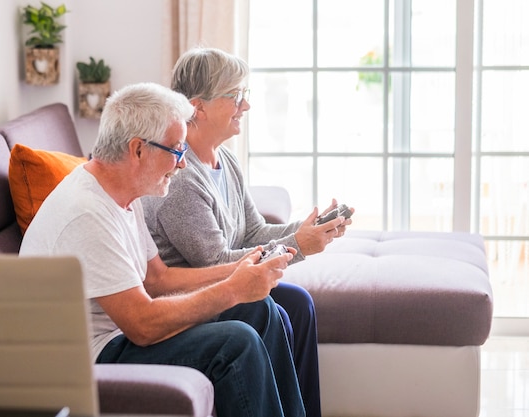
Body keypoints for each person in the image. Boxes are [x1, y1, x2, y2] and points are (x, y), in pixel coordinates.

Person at [19, 82, 305, 417]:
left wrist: (243, 268)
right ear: (138, 150)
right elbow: (142, 326)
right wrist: (232, 289)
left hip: (118, 334)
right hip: (91, 355)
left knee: (260, 310)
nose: (183, 163)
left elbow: (156, 278)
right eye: (177, 150)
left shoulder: (122, 191)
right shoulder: (87, 214)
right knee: (235, 343)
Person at [142, 47, 354, 417]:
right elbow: (217, 261)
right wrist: (297, 246)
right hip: (196, 291)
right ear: (197, 107)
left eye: (245, 94)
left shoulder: (226, 160)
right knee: (267, 307)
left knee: (299, 304)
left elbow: (252, 230)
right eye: (235, 95)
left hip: (226, 283)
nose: (246, 105)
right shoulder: (181, 178)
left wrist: (307, 230)